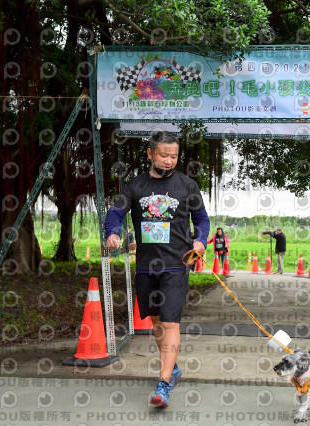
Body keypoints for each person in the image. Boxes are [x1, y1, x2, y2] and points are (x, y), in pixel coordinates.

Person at [104, 131, 210, 408]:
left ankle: (163, 385)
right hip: (145, 267)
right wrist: (113, 232)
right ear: (150, 154)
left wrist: (200, 240)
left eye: (174, 156)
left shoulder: (187, 185)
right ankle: (172, 368)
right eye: (163, 155)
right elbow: (115, 212)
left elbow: (202, 219)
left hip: (177, 265)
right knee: (156, 323)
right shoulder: (134, 186)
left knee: (171, 322)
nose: (168, 160)